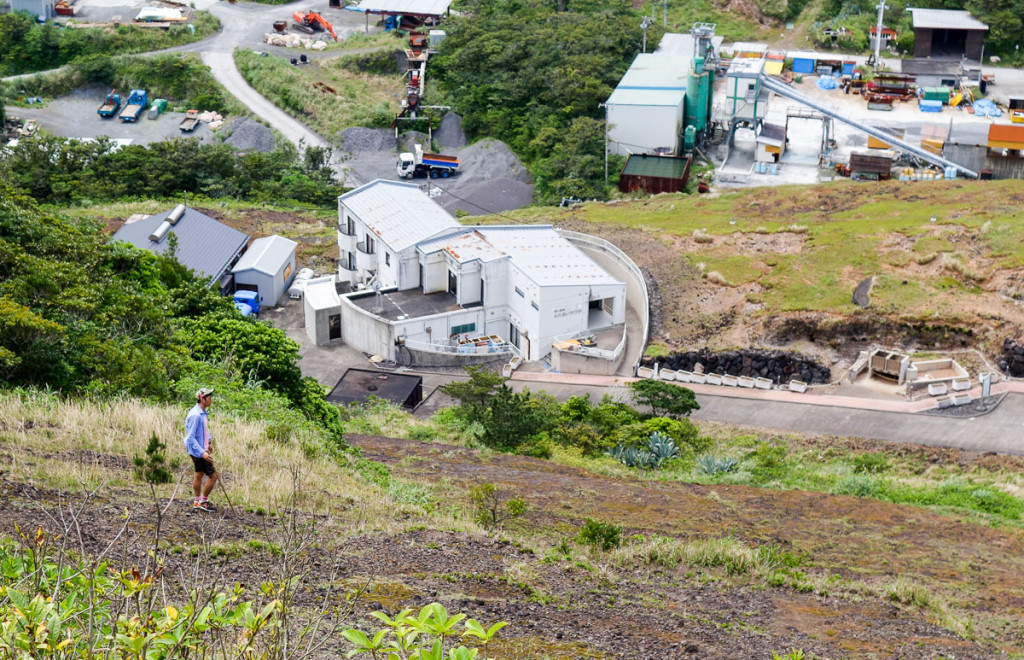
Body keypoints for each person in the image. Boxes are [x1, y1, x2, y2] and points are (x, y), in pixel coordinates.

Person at [184, 387, 218, 511]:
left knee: (199, 474)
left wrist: (208, 442)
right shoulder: (196, 415)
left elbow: (204, 430)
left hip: (200, 449)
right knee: (213, 476)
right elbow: (190, 438)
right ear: (202, 399)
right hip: (198, 451)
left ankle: (197, 501)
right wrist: (202, 453)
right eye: (209, 398)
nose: (211, 400)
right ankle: (203, 501)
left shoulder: (202, 413)